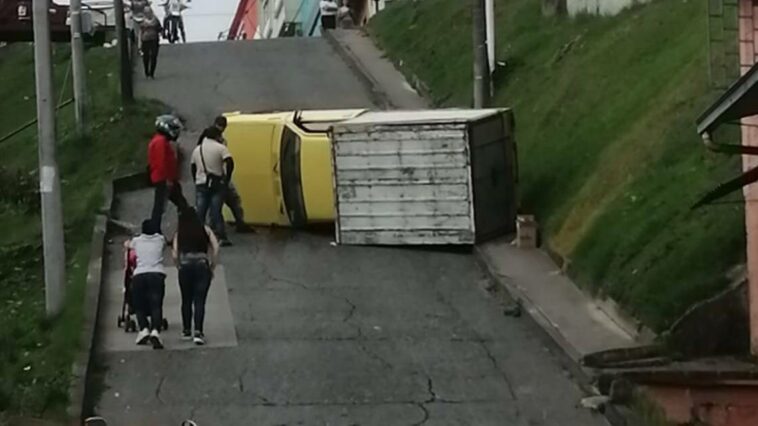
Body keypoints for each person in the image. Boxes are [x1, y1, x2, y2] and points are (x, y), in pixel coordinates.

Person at [196, 116, 253, 234]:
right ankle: (221, 228)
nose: (221, 130)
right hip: (218, 176)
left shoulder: (206, 139)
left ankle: (215, 227)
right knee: (219, 203)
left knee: (217, 203)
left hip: (207, 177)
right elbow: (228, 161)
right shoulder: (216, 140)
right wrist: (226, 178)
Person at [172, 206, 219, 345]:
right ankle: (198, 332)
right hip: (202, 265)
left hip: (185, 266)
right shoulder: (205, 229)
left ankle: (186, 330)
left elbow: (174, 253)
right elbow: (216, 247)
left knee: (186, 299)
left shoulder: (179, 232)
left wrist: (179, 266)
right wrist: (212, 266)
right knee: (200, 300)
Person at [125, 219, 167, 349]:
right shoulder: (160, 240)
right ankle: (155, 331)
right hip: (156, 274)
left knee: (139, 305)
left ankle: (143, 329)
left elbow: (128, 245)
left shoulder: (137, 241)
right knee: (156, 304)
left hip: (139, 275)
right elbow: (165, 245)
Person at [191, 126, 235, 246]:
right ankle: (221, 236)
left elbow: (193, 166)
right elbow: (230, 162)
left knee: (200, 211)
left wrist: (196, 178)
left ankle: (198, 237)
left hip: (201, 183)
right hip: (217, 183)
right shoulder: (220, 148)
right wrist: (226, 178)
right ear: (217, 136)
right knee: (216, 211)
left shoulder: (197, 150)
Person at [148, 114, 186, 234]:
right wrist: (169, 180)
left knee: (174, 205)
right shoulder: (160, 142)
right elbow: (161, 162)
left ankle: (156, 231)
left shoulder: (158, 140)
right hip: (164, 179)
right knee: (161, 207)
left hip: (164, 179)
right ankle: (155, 231)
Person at [140, 7, 162, 79]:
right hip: (145, 40)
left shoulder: (155, 20)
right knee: (146, 57)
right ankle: (146, 72)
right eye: (146, 12)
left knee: (154, 56)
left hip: (154, 40)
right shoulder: (142, 21)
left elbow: (160, 28)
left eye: (149, 12)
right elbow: (140, 31)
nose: (148, 14)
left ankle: (152, 73)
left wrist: (160, 32)